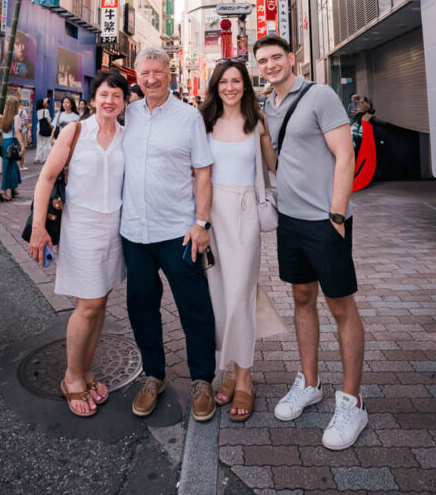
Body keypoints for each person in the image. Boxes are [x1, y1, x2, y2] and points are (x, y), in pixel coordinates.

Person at [254, 34, 366, 451]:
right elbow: (276, 160)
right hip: (291, 221)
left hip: (325, 220)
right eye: (262, 60)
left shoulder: (320, 96)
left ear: (291, 58)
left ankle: (353, 401)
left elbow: (344, 155)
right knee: (302, 298)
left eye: (275, 57)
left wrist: (337, 215)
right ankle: (310, 383)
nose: (270, 65)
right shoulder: (268, 106)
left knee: (340, 305)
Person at [121, 46, 217, 422]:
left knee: (194, 308)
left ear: (169, 73)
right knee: (141, 306)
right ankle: (153, 375)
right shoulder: (128, 114)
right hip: (134, 233)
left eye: (157, 72)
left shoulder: (189, 117)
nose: (150, 79)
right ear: (137, 76)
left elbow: (203, 173)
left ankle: (202, 380)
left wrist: (202, 223)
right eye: (144, 73)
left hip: (178, 232)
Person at [29, 70, 129, 417]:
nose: (109, 101)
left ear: (123, 101)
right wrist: (38, 227)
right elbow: (47, 177)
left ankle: (87, 371)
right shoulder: (75, 131)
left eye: (116, 95)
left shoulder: (125, 136)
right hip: (81, 227)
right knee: (87, 305)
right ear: (92, 98)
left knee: (100, 303)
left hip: (113, 229)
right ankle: (71, 378)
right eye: (104, 93)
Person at [200, 59, 286, 422]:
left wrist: (266, 137)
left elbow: (273, 167)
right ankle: (231, 369)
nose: (230, 87)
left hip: (244, 209)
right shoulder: (202, 121)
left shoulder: (257, 121)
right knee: (219, 294)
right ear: (215, 86)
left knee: (240, 291)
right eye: (224, 81)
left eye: (237, 81)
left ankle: (245, 377)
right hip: (209, 212)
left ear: (245, 85)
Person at [0, 96, 25, 202]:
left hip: (4, 144)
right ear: (15, 106)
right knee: (9, 167)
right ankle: (4, 191)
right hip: (12, 143)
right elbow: (17, 132)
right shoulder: (16, 117)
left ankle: (13, 188)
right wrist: (23, 145)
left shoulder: (3, 117)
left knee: (10, 166)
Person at [34, 97, 52, 164]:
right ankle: (45, 158)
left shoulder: (38, 111)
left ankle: (37, 158)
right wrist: (52, 127)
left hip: (39, 126)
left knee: (39, 143)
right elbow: (49, 120)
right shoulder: (46, 111)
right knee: (47, 143)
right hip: (46, 126)